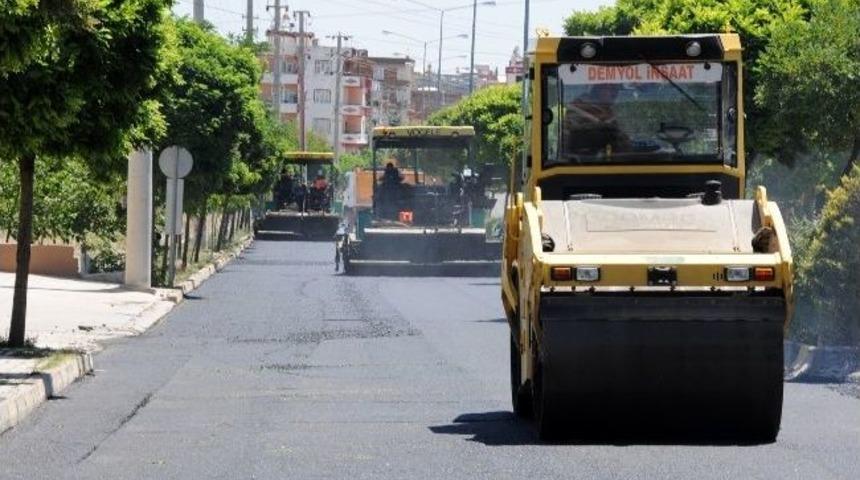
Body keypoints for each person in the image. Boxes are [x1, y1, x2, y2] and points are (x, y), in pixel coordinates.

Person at [563, 83, 631, 155]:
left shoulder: (610, 111)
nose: (614, 94)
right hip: (583, 161)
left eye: (615, 89)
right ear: (597, 89)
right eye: (609, 89)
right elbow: (570, 136)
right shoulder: (579, 108)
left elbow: (621, 142)